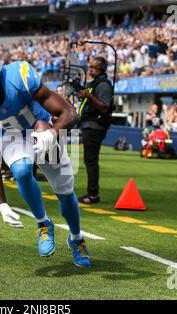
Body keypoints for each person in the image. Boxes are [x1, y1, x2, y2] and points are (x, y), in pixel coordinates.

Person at [0, 44, 91, 267]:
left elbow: (69, 113)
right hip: (9, 135)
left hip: (40, 129)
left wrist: (53, 133)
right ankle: (43, 224)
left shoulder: (18, 77)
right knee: (21, 170)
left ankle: (76, 238)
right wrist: (1, 204)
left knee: (65, 193)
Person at [76, 57, 114, 204]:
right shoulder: (95, 84)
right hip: (89, 125)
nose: (90, 69)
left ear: (101, 69)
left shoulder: (103, 85)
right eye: (90, 67)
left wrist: (89, 95)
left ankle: (93, 195)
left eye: (94, 67)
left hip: (95, 126)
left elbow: (104, 107)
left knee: (91, 161)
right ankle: (92, 193)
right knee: (89, 160)